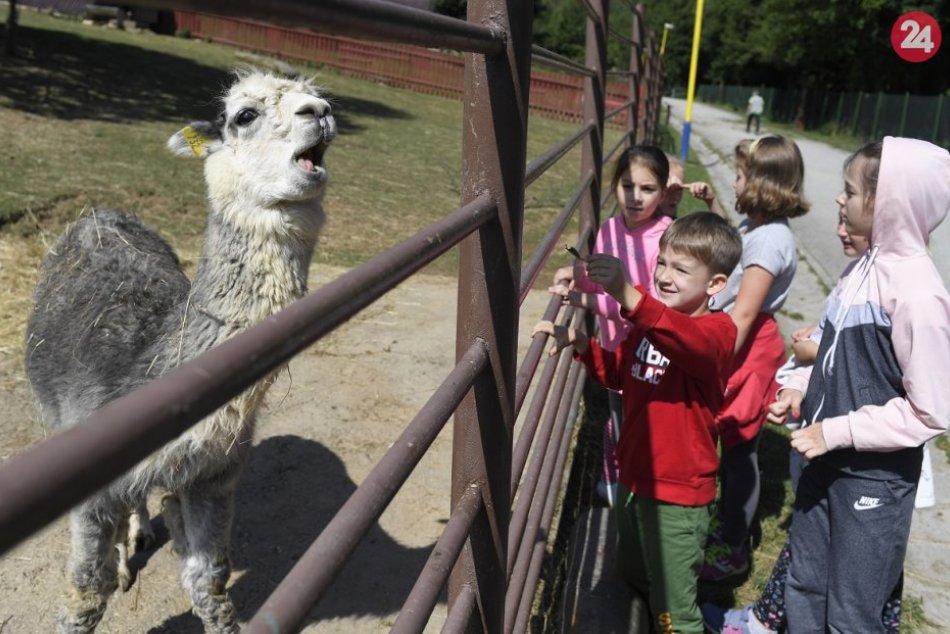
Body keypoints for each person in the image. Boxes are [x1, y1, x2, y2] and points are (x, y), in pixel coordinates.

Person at [766, 137, 950, 632]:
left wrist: (835, 431)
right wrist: (799, 386)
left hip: (873, 481)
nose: (838, 200)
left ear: (888, 202)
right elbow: (830, 354)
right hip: (822, 461)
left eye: (849, 191)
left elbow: (931, 411)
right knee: (804, 583)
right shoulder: (859, 272)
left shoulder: (917, 294)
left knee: (852, 611)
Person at [535, 212, 743, 634]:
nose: (665, 276)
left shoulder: (715, 332)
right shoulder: (649, 321)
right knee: (636, 577)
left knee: (674, 616)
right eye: (662, 262)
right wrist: (579, 343)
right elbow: (622, 374)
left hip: (677, 497)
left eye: (681, 269)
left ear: (716, 285)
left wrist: (628, 294)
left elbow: (685, 340)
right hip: (635, 481)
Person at [700, 136, 809, 582]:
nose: (732, 180)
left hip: (743, 346)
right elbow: (738, 259)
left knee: (740, 450)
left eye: (740, 175)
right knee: (732, 446)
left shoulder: (769, 242)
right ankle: (723, 524)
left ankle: (734, 546)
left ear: (762, 183)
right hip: (739, 342)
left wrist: (711, 359)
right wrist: (718, 211)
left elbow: (742, 311)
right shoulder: (758, 229)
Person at [552, 145, 673, 507]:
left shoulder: (666, 238)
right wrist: (574, 275)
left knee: (637, 423)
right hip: (613, 347)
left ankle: (640, 484)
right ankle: (613, 479)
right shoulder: (609, 229)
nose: (636, 197)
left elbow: (650, 307)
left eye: (648, 189)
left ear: (664, 193)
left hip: (647, 355)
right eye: (627, 185)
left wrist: (585, 302)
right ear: (615, 185)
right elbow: (599, 274)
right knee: (615, 415)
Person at [661, 154, 725, 218]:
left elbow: (721, 227)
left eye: (679, 189)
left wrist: (711, 201)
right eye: (668, 189)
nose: (675, 197)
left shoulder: (677, 225)